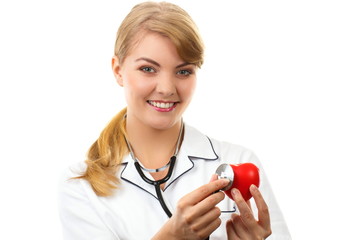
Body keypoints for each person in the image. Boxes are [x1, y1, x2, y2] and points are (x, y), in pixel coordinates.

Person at [58, 1, 291, 239]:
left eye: (183, 71)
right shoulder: (80, 186)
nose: (167, 88)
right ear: (118, 70)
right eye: (148, 69)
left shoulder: (239, 162)